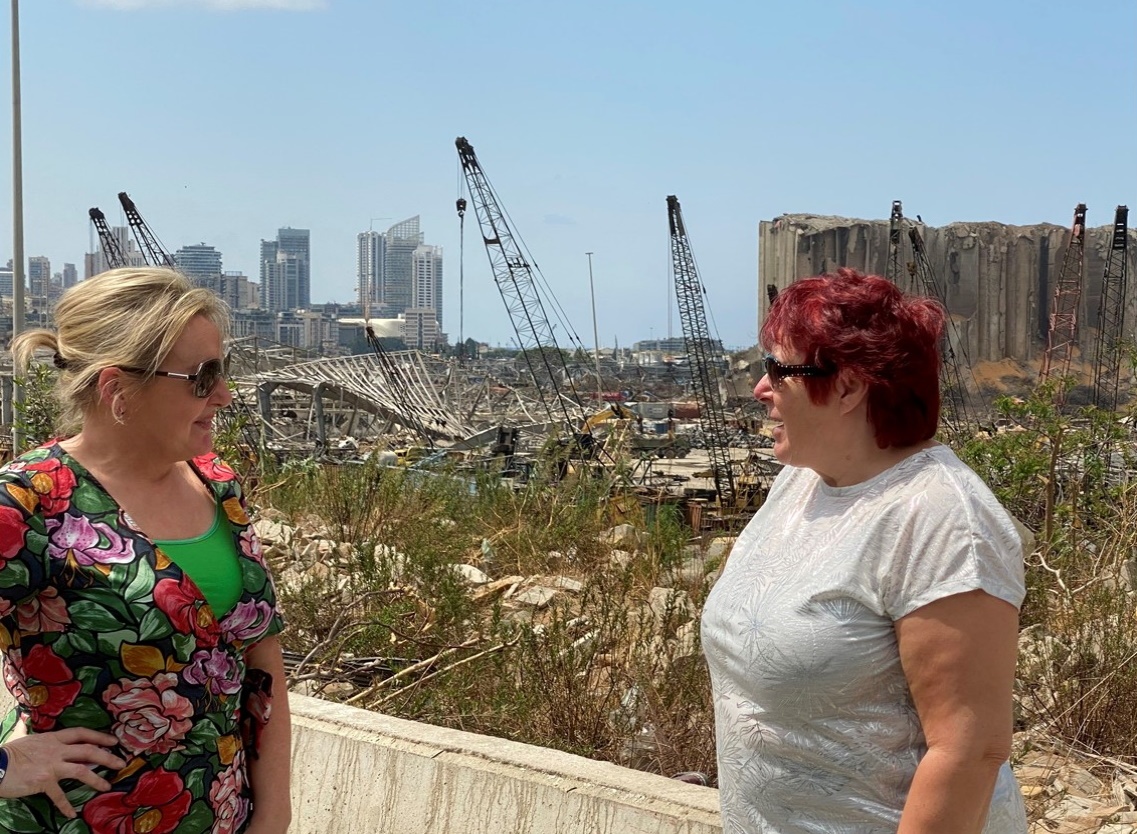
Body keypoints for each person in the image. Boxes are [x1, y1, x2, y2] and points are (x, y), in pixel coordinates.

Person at [702, 268, 1026, 833]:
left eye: (779, 370)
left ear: (849, 387)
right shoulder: (801, 483)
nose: (760, 388)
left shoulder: (941, 520)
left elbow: (969, 751)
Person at [0, 267, 291, 833]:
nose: (225, 395)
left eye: (223, 371)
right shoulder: (26, 505)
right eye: (203, 378)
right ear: (117, 390)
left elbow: (264, 669)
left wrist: (273, 814)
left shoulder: (218, 486)